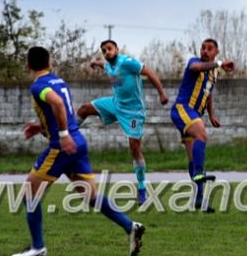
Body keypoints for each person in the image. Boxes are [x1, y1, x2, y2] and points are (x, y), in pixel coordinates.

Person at [11, 46, 145, 256]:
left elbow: (56, 104)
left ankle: (38, 247)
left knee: (30, 192)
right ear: (50, 63)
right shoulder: (59, 81)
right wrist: (41, 127)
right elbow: (62, 109)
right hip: (78, 143)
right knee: (90, 196)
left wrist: (62, 135)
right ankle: (130, 226)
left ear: (27, 65)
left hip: (61, 147)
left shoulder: (38, 87)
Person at [76, 40, 168, 205]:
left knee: (134, 147)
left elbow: (150, 72)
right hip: (115, 105)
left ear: (117, 49)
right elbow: (104, 64)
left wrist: (161, 93)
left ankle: (141, 188)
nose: (107, 52)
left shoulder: (127, 63)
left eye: (110, 49)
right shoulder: (108, 65)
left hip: (133, 114)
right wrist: (95, 63)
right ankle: (67, 135)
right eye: (104, 50)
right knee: (84, 109)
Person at [170, 39, 234, 212]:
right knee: (202, 136)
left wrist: (212, 115)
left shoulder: (213, 74)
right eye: (203, 48)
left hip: (194, 114)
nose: (205, 51)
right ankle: (199, 174)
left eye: (209, 48)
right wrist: (220, 63)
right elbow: (195, 69)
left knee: (193, 158)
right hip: (182, 109)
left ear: (216, 51)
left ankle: (199, 199)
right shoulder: (194, 62)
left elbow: (208, 94)